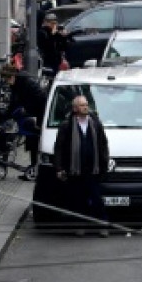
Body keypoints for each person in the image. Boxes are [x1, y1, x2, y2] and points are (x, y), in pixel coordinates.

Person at [52, 95, 111, 235]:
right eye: (82, 105)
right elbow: (59, 147)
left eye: (86, 104)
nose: (86, 107)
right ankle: (80, 226)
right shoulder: (67, 125)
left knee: (97, 199)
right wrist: (59, 168)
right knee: (78, 200)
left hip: (93, 169)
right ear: (75, 108)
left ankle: (102, 226)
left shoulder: (95, 123)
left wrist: (105, 161)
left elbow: (103, 144)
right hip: (75, 170)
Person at [0, 63, 45, 177]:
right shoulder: (19, 82)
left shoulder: (24, 82)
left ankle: (34, 168)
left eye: (6, 79)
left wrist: (27, 110)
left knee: (33, 139)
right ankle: (33, 167)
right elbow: (14, 102)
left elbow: (39, 98)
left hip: (38, 114)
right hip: (34, 113)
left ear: (11, 76)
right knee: (31, 140)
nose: (7, 82)